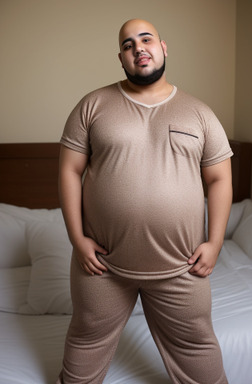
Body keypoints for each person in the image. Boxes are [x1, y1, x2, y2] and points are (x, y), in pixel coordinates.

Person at [57, 18, 232, 384]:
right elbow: (69, 173)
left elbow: (218, 180)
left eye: (146, 39)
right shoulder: (92, 106)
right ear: (121, 59)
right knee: (83, 349)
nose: (138, 47)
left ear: (163, 48)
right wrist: (77, 239)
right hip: (103, 266)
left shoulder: (200, 112)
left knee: (201, 356)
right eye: (127, 44)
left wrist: (215, 243)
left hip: (182, 266)